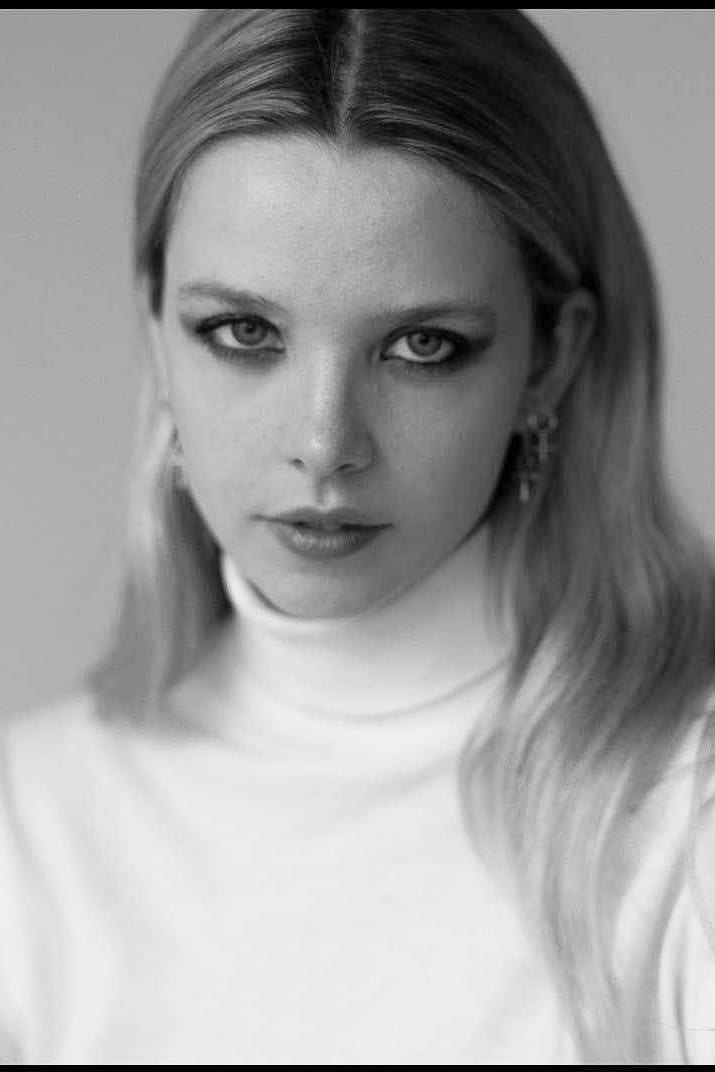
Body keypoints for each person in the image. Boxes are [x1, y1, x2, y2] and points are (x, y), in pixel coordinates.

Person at [1, 8, 714, 1064]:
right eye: (244, 332)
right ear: (156, 330)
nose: (324, 446)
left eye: (421, 346)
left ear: (548, 361)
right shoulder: (28, 828)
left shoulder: (682, 819)